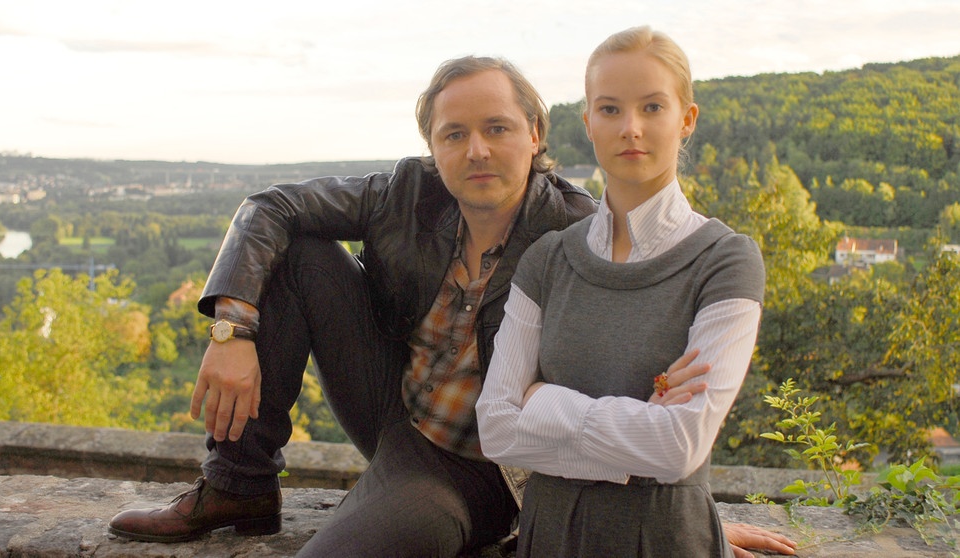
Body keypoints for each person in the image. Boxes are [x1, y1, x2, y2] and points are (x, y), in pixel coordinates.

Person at [108, 54, 795, 557]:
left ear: (535, 134)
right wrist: (231, 329)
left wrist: (683, 516)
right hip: (393, 407)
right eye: (453, 134)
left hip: (484, 469)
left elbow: (649, 375)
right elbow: (271, 205)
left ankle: (444, 519)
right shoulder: (405, 193)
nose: (477, 150)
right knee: (299, 251)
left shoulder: (582, 234)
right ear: (433, 148)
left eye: (497, 128)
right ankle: (239, 485)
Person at [476, 26, 783, 558]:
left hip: (665, 540)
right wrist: (641, 427)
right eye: (611, 109)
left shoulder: (725, 261)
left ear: (686, 120)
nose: (631, 128)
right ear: (589, 123)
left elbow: (678, 448)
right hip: (549, 539)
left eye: (653, 107)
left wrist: (544, 401)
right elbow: (498, 431)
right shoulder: (548, 260)